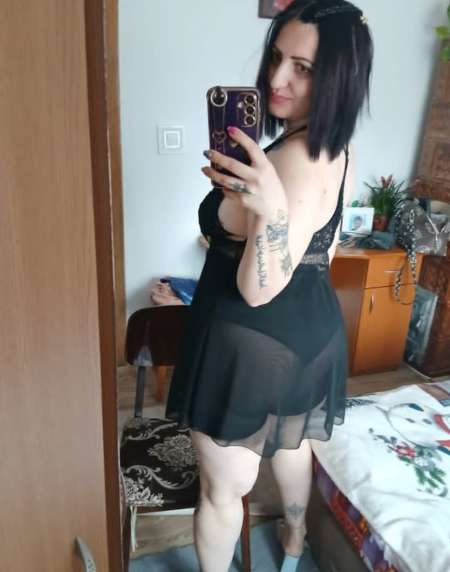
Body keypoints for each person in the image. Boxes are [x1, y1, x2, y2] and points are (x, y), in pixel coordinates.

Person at [165, 1, 373, 570]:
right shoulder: (336, 147)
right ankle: (296, 536)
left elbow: (257, 290)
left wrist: (269, 208)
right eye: (276, 57)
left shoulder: (291, 162)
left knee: (221, 492)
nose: (278, 79)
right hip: (313, 332)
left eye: (303, 68)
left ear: (338, 78)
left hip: (249, 344)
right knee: (291, 440)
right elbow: (325, 248)